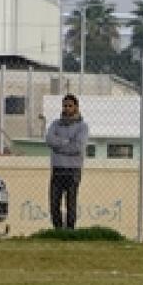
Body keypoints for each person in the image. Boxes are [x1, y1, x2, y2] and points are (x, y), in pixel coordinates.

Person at [45, 94, 89, 230]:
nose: (67, 108)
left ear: (76, 107)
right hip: (57, 168)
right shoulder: (55, 124)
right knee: (54, 202)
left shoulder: (82, 126)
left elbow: (78, 147)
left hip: (73, 169)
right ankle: (57, 229)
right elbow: (49, 140)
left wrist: (59, 146)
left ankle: (70, 229)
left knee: (71, 202)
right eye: (65, 106)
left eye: (70, 106)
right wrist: (66, 142)